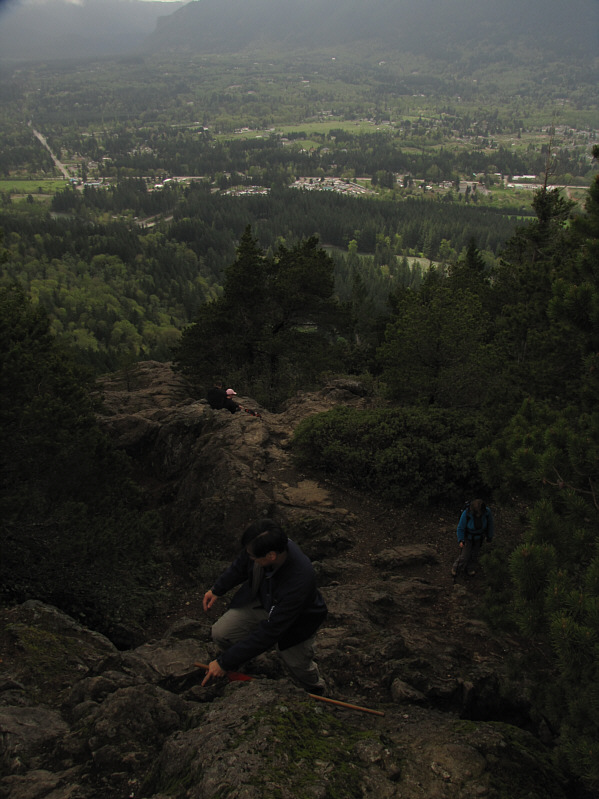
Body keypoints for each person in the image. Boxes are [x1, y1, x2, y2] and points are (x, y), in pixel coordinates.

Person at [201, 519, 327, 693]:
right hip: (263, 601)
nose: (250, 557)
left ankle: (315, 689)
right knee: (222, 633)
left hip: (295, 623)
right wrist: (217, 589)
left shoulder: (299, 580)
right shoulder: (264, 546)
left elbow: (271, 631)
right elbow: (242, 563)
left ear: (271, 556)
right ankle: (243, 660)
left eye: (253, 556)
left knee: (298, 665)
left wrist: (223, 662)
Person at [452, 499, 494, 578]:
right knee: (465, 555)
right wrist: (461, 540)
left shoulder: (487, 512)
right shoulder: (467, 513)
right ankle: (456, 568)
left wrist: (489, 536)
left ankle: (469, 568)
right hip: (468, 537)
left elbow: (490, 525)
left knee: (474, 554)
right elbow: (460, 528)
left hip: (479, 537)